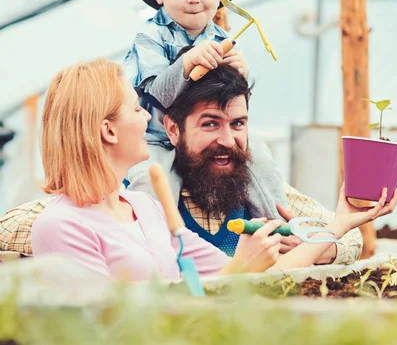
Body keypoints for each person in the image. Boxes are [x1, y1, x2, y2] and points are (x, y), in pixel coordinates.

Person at [31, 59, 397, 282]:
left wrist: (339, 224)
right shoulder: (61, 226)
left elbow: (258, 275)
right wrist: (241, 269)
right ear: (108, 130)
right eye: (137, 109)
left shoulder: (146, 209)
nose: (147, 118)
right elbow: (105, 330)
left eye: (238, 124)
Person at [122, 0, 288, 227]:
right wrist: (186, 64)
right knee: (150, 178)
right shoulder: (150, 37)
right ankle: (152, 244)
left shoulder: (221, 36)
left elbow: (226, 100)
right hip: (156, 138)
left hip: (201, 137)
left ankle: (279, 227)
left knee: (260, 156)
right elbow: (158, 94)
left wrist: (238, 75)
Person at [126, 62, 363, 264]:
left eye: (238, 124)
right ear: (173, 129)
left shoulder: (261, 190)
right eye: (210, 124)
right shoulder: (139, 200)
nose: (228, 141)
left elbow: (352, 237)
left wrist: (311, 248)